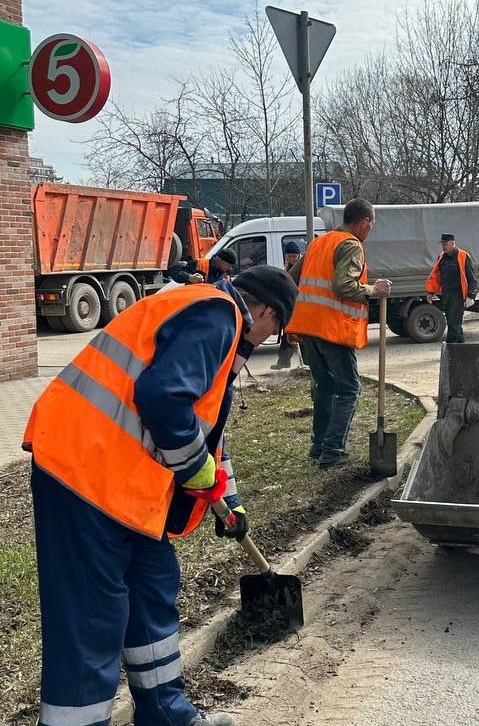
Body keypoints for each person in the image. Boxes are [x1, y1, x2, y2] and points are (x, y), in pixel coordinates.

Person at [22, 264, 298, 726]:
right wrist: (196, 473)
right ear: (267, 310)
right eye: (277, 328)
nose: (271, 338)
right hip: (83, 472)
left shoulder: (214, 324)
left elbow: (205, 431)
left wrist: (228, 498)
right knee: (93, 616)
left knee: (152, 587)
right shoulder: (219, 315)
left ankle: (167, 715)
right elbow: (164, 399)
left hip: (127, 486)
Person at [285, 198, 392, 466]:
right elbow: (343, 285)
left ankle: (319, 445)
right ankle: (332, 451)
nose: (370, 230)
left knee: (326, 385)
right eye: (371, 225)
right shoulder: (350, 245)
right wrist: (373, 290)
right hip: (331, 328)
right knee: (349, 388)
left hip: (308, 327)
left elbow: (292, 277)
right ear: (364, 221)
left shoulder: (320, 242)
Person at [425, 233, 478, 344]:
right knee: (453, 322)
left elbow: (472, 278)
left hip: (458, 295)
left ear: (452, 243)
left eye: (445, 244)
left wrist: (471, 296)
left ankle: (450, 347)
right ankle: (461, 348)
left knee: (454, 323)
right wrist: (431, 291)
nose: (443, 246)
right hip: (446, 294)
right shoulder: (441, 257)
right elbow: (437, 275)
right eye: (442, 244)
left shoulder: (463, 256)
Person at [271, 242, 303, 370]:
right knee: (288, 333)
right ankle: (284, 361)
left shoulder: (303, 267)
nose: (292, 259)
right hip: (289, 304)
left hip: (302, 304)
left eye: (294, 256)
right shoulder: (286, 269)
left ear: (299, 256)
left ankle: (307, 362)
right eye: (289, 256)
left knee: (303, 335)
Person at [168, 248, 237, 285]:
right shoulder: (198, 264)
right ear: (220, 259)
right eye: (229, 265)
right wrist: (189, 277)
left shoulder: (226, 274)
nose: (230, 268)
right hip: (194, 306)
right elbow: (175, 273)